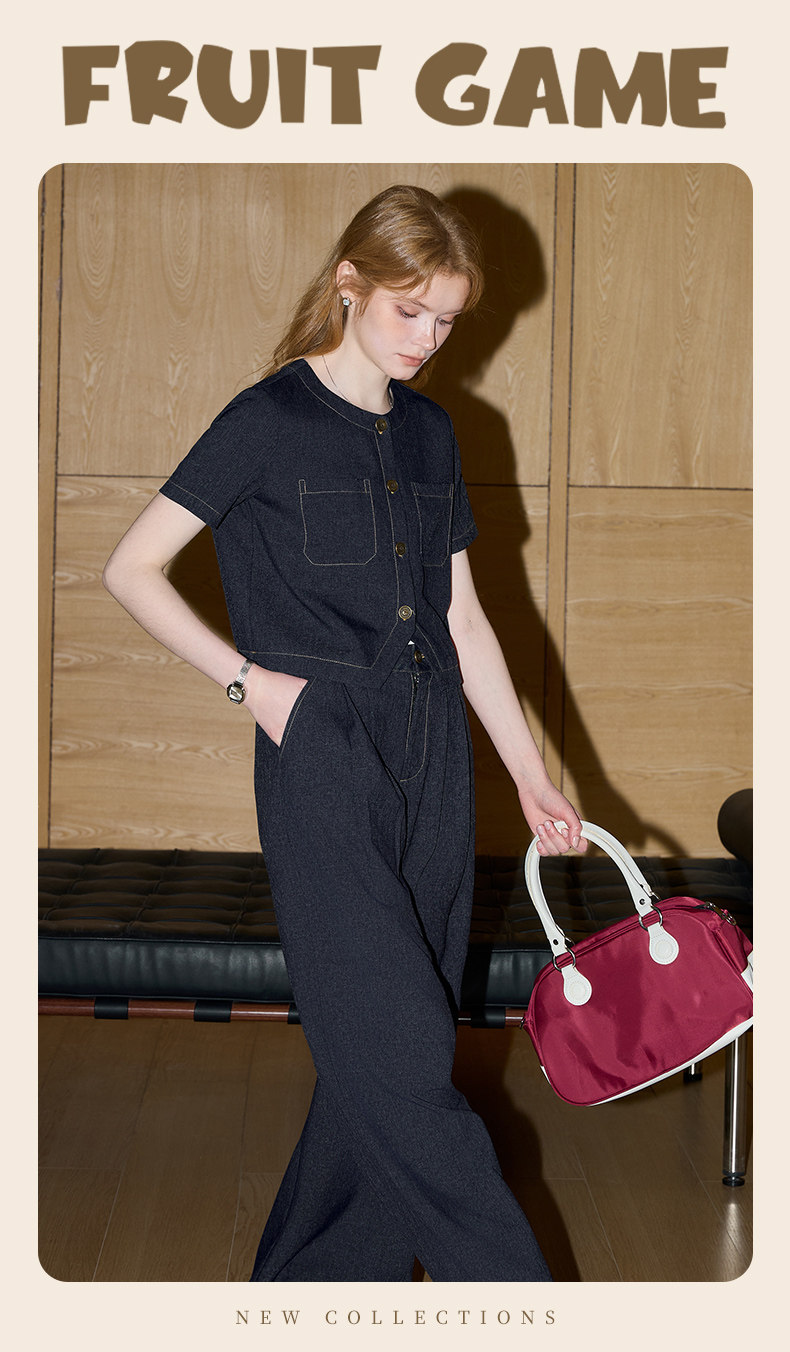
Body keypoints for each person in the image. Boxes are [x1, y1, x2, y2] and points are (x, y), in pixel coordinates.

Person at [103, 183, 586, 1283]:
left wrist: (528, 772)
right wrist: (252, 686)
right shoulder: (266, 421)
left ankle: (302, 1294)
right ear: (350, 283)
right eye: (410, 311)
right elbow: (132, 568)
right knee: (404, 1051)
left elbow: (463, 618)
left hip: (436, 754)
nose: (427, 339)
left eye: (446, 319)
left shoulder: (433, 431)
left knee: (387, 1043)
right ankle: (521, 1304)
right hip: (320, 749)